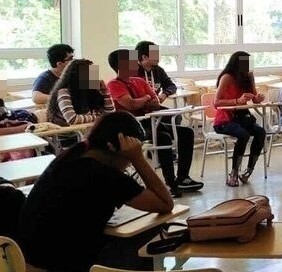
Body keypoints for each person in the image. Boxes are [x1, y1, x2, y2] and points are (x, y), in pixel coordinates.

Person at [18, 112, 174, 272]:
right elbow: (165, 203)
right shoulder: (104, 174)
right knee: (156, 233)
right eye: (128, 157)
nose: (128, 165)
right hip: (65, 264)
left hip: (28, 258)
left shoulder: (72, 155)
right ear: (114, 147)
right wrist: (138, 158)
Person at [107, 49, 202, 196]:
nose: (136, 63)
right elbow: (130, 105)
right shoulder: (114, 84)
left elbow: (156, 103)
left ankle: (183, 178)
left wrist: (142, 101)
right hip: (132, 127)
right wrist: (145, 99)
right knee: (162, 137)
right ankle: (171, 183)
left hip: (151, 122)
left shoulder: (139, 81)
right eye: (132, 61)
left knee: (186, 133)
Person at [213, 51, 267, 187]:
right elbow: (217, 102)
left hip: (242, 117)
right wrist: (237, 101)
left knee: (260, 132)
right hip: (225, 120)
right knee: (243, 135)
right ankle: (234, 172)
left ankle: (248, 171)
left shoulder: (249, 76)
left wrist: (258, 98)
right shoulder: (227, 77)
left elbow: (254, 97)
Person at [47, 58, 115, 126]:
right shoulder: (64, 92)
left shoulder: (91, 91)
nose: (94, 77)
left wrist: (105, 92)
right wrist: (99, 117)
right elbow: (72, 119)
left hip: (85, 130)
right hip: (69, 133)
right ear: (77, 76)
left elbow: (110, 113)